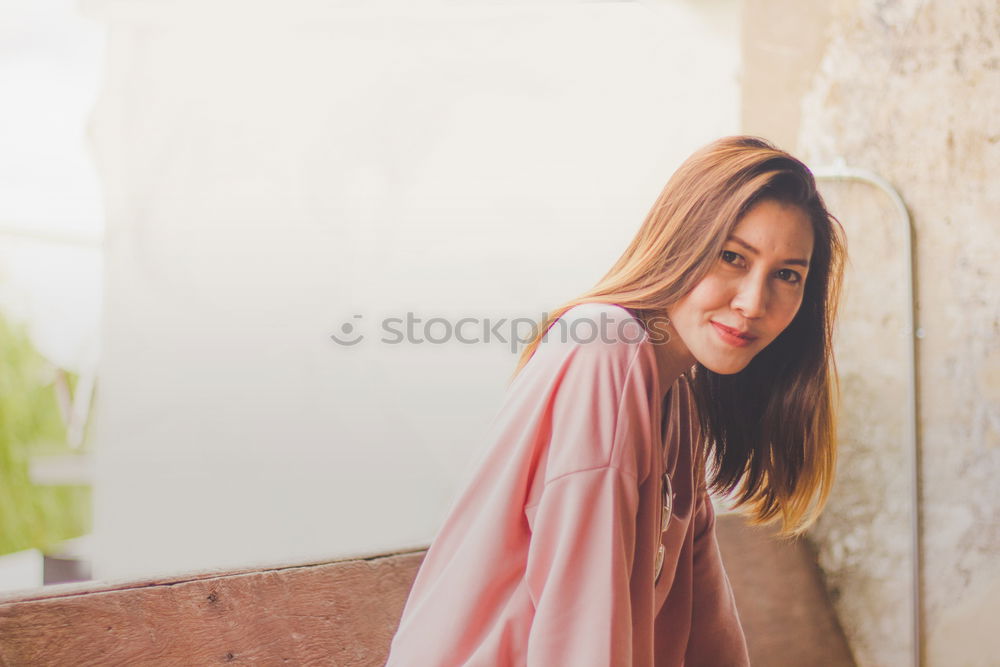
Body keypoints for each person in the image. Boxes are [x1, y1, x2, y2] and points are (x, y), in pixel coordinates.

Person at [384, 136, 846, 666]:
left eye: (787, 275)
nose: (753, 301)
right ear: (681, 244)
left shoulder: (676, 404)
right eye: (732, 257)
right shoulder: (605, 347)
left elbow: (705, 629)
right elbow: (582, 636)